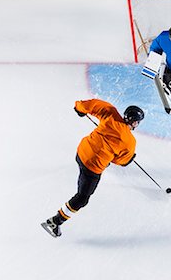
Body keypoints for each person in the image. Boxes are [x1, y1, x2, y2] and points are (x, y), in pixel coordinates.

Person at [41, 99, 144, 238]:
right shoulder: (129, 142)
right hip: (92, 167)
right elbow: (121, 161)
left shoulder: (111, 114)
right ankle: (54, 222)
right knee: (82, 198)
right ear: (135, 123)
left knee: (84, 170)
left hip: (81, 152)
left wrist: (80, 109)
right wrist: (130, 158)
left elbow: (89, 105)